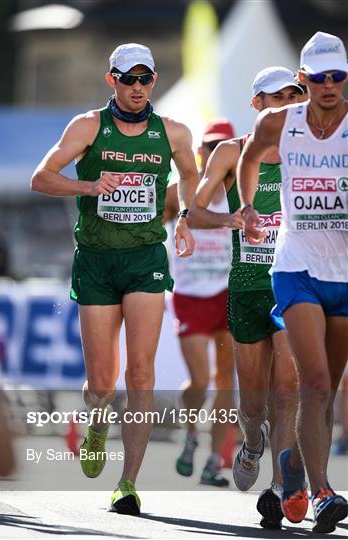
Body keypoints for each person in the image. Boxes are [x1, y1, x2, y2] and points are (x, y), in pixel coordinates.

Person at [31, 42, 199, 515]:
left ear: (154, 81)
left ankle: (128, 481)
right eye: (129, 79)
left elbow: (190, 175)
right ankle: (98, 419)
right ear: (112, 80)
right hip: (97, 259)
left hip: (145, 257)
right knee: (101, 381)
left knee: (141, 372)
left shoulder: (175, 132)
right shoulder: (88, 126)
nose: (138, 87)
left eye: (146, 79)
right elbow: (41, 178)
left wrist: (184, 215)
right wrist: (88, 185)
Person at [237, 31, 348, 534]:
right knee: (314, 381)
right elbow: (248, 157)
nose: (328, 85)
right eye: (319, 77)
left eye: (337, 76)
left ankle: (297, 477)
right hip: (295, 266)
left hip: (343, 272)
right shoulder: (278, 123)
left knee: (325, 395)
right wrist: (246, 207)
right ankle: (323, 493)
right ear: (305, 78)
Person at [188, 67, 304, 529]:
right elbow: (194, 212)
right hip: (247, 287)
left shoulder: (316, 154)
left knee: (287, 391)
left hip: (294, 286)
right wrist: (233, 221)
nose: (286, 106)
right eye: (275, 99)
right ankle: (252, 440)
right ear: (256, 105)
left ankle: (280, 489)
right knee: (254, 404)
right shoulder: (231, 152)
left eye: (293, 98)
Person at [164, 119, 236, 487]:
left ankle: (212, 459)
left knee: (225, 380)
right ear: (200, 152)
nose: (213, 153)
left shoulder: (241, 190)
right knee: (200, 379)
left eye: (221, 146)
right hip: (190, 294)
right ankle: (191, 433)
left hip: (226, 293)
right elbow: (146, 225)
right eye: (209, 147)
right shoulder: (179, 190)